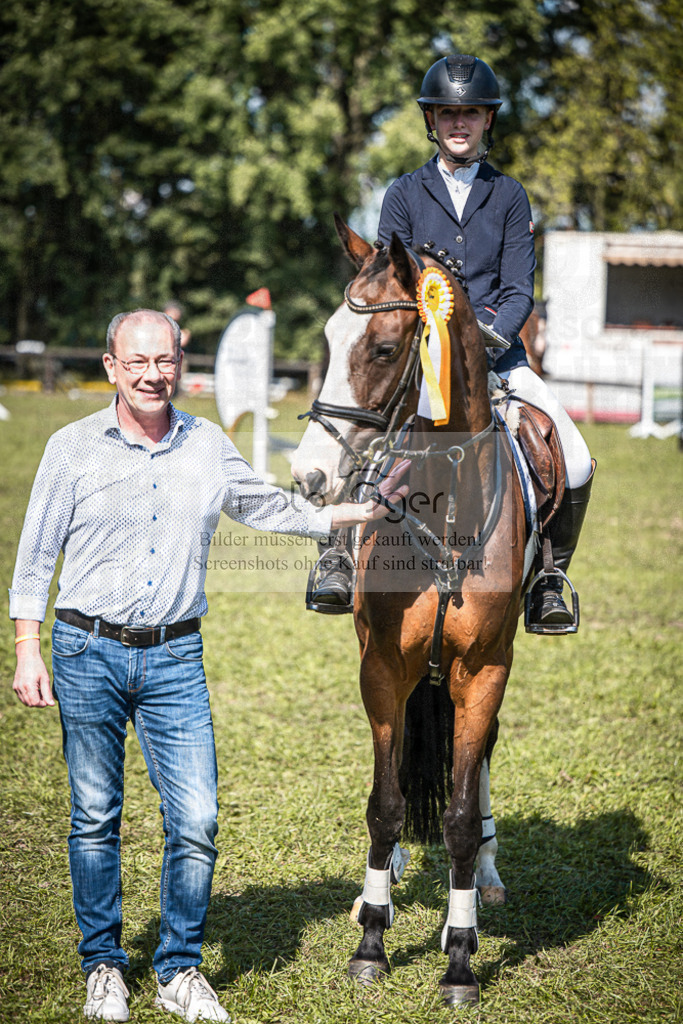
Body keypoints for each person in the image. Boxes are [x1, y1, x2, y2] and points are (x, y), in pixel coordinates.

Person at [9, 309, 408, 1023]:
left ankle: (178, 971)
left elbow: (264, 506)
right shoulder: (71, 448)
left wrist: (349, 515)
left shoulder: (205, 443)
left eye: (162, 360)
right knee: (95, 816)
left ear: (179, 364)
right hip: (83, 650)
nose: (151, 374)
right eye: (136, 362)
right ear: (111, 368)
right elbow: (36, 555)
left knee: (195, 819)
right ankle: (103, 964)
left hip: (174, 657)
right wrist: (26, 648)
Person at [311, 53, 594, 629]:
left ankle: (548, 577)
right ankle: (336, 558)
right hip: (418, 362)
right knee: (361, 438)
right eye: (447, 113)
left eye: (470, 113)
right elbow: (389, 279)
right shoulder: (404, 193)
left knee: (577, 455)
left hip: (497, 356)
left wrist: (488, 339)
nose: (458, 123)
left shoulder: (510, 196)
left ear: (488, 120)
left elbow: (519, 291)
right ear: (431, 120)